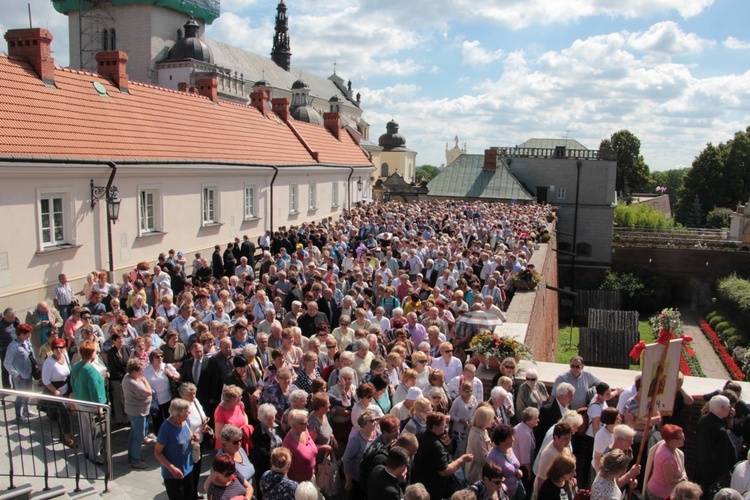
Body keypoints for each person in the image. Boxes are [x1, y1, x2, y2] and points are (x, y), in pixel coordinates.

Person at [413, 412, 474, 500]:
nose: (445, 426)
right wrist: (462, 459)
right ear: (434, 427)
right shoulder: (435, 445)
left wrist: (444, 445)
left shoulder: (422, 433)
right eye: (442, 424)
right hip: (434, 487)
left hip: (423, 479)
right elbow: (444, 471)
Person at [70, 339, 108, 465]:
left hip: (79, 402)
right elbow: (95, 391)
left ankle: (86, 451)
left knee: (84, 428)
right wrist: (99, 407)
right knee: (96, 432)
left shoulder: (76, 365)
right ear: (92, 353)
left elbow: (72, 383)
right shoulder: (90, 370)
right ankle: (94, 455)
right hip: (91, 405)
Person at [154, 398, 198, 500]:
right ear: (178, 414)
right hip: (172, 474)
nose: (190, 412)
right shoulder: (166, 429)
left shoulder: (185, 421)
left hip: (188, 468)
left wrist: (194, 436)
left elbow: (186, 436)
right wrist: (172, 468)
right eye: (187, 411)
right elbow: (157, 452)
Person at [695, 395, 736, 499]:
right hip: (713, 476)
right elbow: (722, 457)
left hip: (700, 470)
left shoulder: (703, 419)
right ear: (722, 408)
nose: (730, 409)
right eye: (729, 406)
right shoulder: (719, 430)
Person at [40, 336, 73, 447]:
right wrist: (55, 391)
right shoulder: (49, 362)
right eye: (56, 348)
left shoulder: (65, 356)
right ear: (52, 349)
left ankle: (64, 433)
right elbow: (45, 380)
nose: (59, 350)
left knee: (67, 411)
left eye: (61, 347)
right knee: (64, 412)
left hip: (66, 388)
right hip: (56, 390)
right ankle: (66, 436)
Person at [180, 382, 210, 495]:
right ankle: (189, 493)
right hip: (189, 443)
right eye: (190, 395)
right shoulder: (181, 407)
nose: (193, 397)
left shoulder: (195, 401)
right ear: (182, 395)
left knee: (197, 468)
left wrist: (205, 422)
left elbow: (202, 414)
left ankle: (194, 491)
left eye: (194, 394)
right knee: (189, 470)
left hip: (199, 442)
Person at [122, 358, 153, 469]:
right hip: (138, 412)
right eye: (140, 371)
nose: (142, 373)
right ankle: (136, 460)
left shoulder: (128, 377)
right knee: (138, 437)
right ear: (134, 372)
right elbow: (148, 392)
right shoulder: (132, 382)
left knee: (134, 434)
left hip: (135, 411)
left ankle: (132, 456)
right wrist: (145, 381)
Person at [343, 409, 381, 496]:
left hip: (372, 478)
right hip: (359, 480)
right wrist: (348, 480)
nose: (375, 422)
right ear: (363, 424)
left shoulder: (378, 434)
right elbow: (346, 459)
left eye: (375, 420)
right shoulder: (356, 440)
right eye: (372, 421)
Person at [5, 324, 37, 424]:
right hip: (20, 376)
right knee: (20, 396)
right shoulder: (13, 346)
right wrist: (16, 374)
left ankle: (26, 410)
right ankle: (18, 416)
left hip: (28, 373)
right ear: (21, 334)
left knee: (29, 393)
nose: (29, 336)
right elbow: (7, 363)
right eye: (28, 334)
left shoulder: (27, 342)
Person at [144, 348, 181, 435]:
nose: (160, 358)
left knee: (170, 419)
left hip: (167, 398)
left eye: (162, 356)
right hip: (154, 401)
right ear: (152, 358)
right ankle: (160, 439)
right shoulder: (146, 370)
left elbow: (180, 378)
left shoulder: (167, 366)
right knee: (157, 421)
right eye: (157, 356)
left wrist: (171, 375)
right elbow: (141, 381)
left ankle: (171, 436)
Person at [646, 424, 687, 500]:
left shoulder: (663, 444)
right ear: (673, 442)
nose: (684, 438)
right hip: (660, 494)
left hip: (656, 488)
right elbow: (670, 481)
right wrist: (683, 479)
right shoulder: (668, 458)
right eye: (681, 437)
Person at [282, 409, 319, 483]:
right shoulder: (288, 443)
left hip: (311, 477)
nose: (307, 425)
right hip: (298, 483)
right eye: (303, 423)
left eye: (307, 422)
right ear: (294, 425)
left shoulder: (305, 431)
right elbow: (285, 467)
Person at [252, 403, 284, 491]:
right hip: (264, 465)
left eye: (273, 418)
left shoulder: (277, 424)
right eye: (268, 419)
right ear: (261, 419)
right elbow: (260, 451)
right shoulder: (258, 431)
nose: (271, 421)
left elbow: (283, 439)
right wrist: (275, 458)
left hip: (279, 462)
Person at [488, 424, 524, 499]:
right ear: (502, 441)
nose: (513, 439)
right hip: (504, 496)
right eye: (510, 437)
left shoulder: (509, 448)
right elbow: (490, 482)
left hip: (515, 490)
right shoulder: (492, 458)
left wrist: (517, 471)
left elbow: (511, 464)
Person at [216, 424, 255, 491]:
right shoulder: (222, 460)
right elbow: (212, 485)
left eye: (240, 440)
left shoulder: (240, 450)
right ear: (225, 443)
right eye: (235, 442)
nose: (239, 443)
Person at [214, 385, 253, 454]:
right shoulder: (220, 411)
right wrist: (237, 433)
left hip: (240, 441)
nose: (241, 398)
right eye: (238, 398)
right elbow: (218, 435)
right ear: (231, 400)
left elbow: (244, 414)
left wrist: (245, 427)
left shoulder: (240, 404)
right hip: (229, 447)